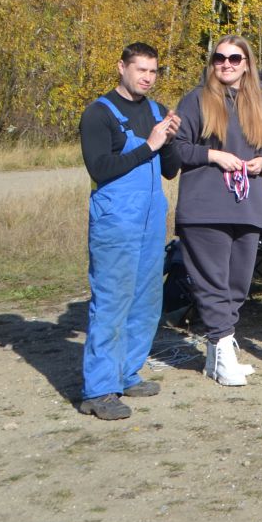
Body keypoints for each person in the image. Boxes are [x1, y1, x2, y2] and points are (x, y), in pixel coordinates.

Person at [76, 43, 182, 420]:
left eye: (153, 71)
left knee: (146, 300)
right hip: (115, 222)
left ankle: (127, 372)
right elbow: (100, 169)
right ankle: (99, 389)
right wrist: (150, 144)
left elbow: (170, 170)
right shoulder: (99, 114)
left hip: (150, 220)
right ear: (121, 67)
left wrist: (168, 141)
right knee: (111, 302)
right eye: (140, 70)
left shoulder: (155, 111)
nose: (147, 78)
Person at [170, 36, 262, 388]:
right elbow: (177, 149)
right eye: (220, 58)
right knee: (212, 282)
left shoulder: (259, 104)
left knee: (238, 284)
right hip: (205, 208)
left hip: (247, 207)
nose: (226, 64)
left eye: (234, 58)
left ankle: (218, 354)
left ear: (247, 63)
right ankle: (222, 347)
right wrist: (213, 155)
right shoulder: (196, 100)